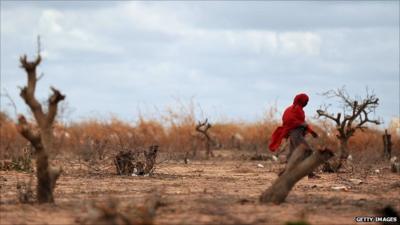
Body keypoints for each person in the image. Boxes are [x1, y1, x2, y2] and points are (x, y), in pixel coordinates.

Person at [269, 93, 319, 177]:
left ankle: (285, 173)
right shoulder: (296, 109)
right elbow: (291, 121)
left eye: (307, 101)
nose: (306, 103)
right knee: (307, 151)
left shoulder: (292, 109)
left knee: (293, 154)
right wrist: (304, 126)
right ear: (301, 101)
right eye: (305, 101)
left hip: (295, 134)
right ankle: (310, 174)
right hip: (296, 134)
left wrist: (310, 131)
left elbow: (300, 123)